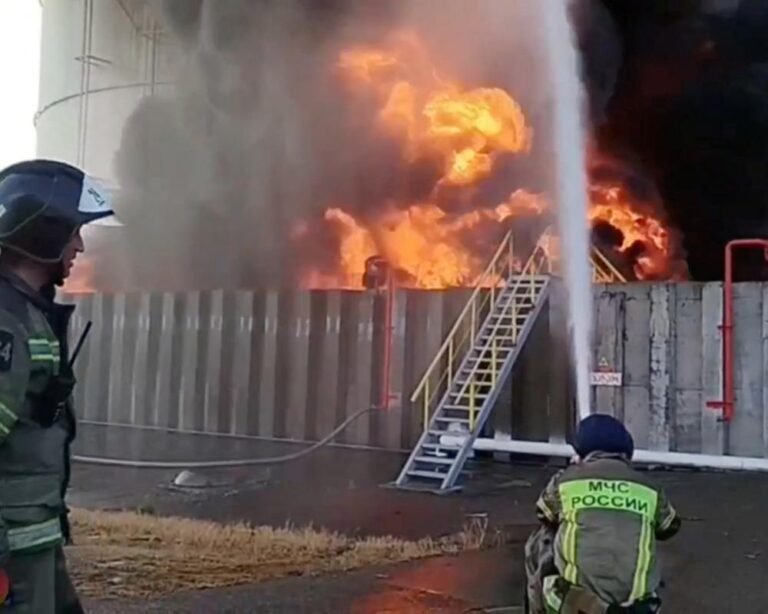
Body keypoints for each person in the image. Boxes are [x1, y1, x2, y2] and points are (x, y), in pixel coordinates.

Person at [0, 160, 114, 611]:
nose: (80, 244)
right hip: (12, 545)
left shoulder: (28, 313)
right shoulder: (7, 322)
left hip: (35, 535)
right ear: (42, 234)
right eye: (72, 231)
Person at [525, 414, 681, 614]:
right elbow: (670, 527)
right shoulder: (649, 488)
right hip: (638, 609)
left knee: (540, 542)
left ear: (582, 451)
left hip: (579, 607)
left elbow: (543, 513)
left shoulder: (565, 480)